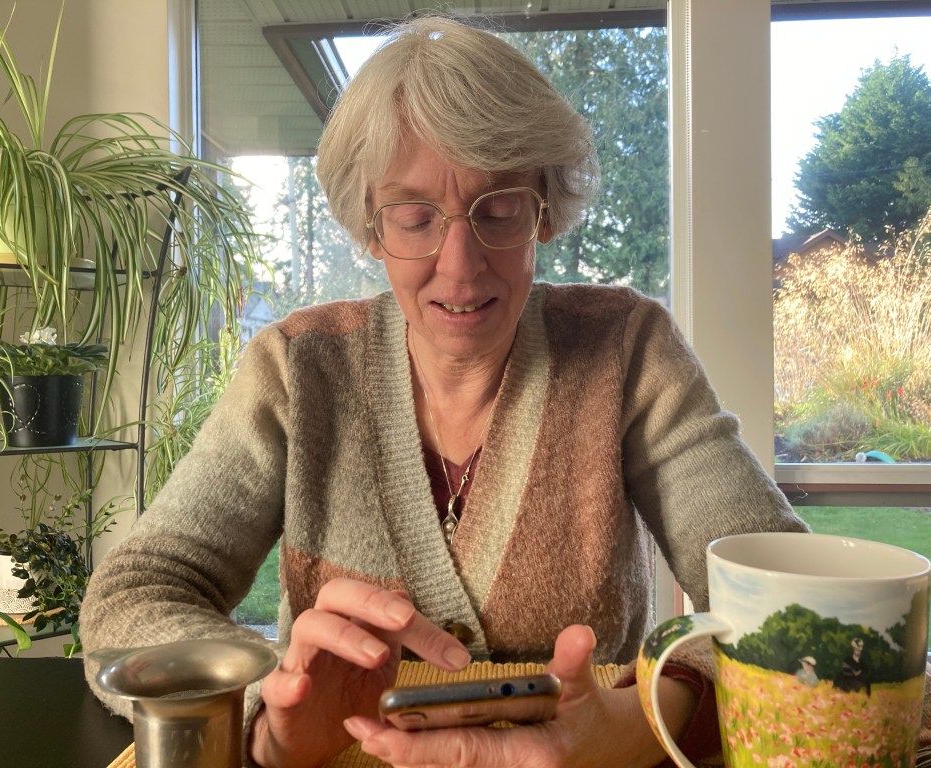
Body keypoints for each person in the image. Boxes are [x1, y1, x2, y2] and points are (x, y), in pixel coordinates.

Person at [80, 14, 820, 767]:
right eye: (414, 216)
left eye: (499, 210)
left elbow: (800, 607)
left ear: (545, 211)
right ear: (371, 227)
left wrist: (646, 719)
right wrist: (267, 707)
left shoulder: (627, 351)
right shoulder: (295, 369)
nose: (460, 265)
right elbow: (137, 592)